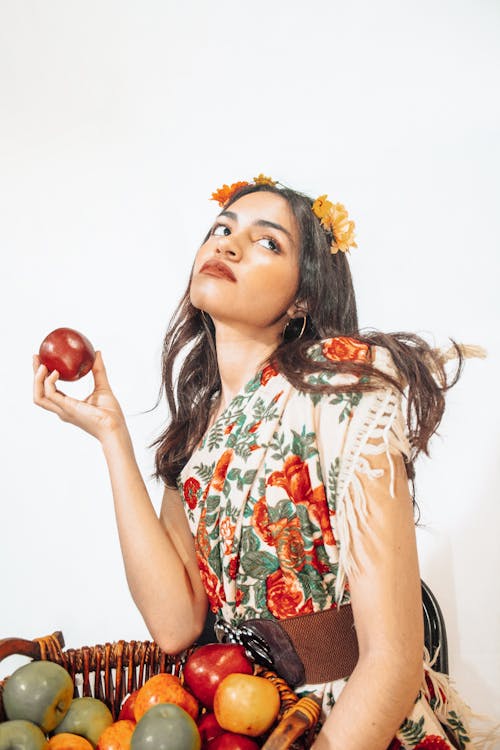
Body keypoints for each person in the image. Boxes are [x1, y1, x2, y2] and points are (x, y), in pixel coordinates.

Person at [33, 175, 494, 750]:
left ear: (303, 296)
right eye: (221, 230)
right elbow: (175, 626)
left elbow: (393, 661)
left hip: (352, 722)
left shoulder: (343, 391)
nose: (228, 244)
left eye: (268, 242)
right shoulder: (199, 427)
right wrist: (112, 436)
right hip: (246, 719)